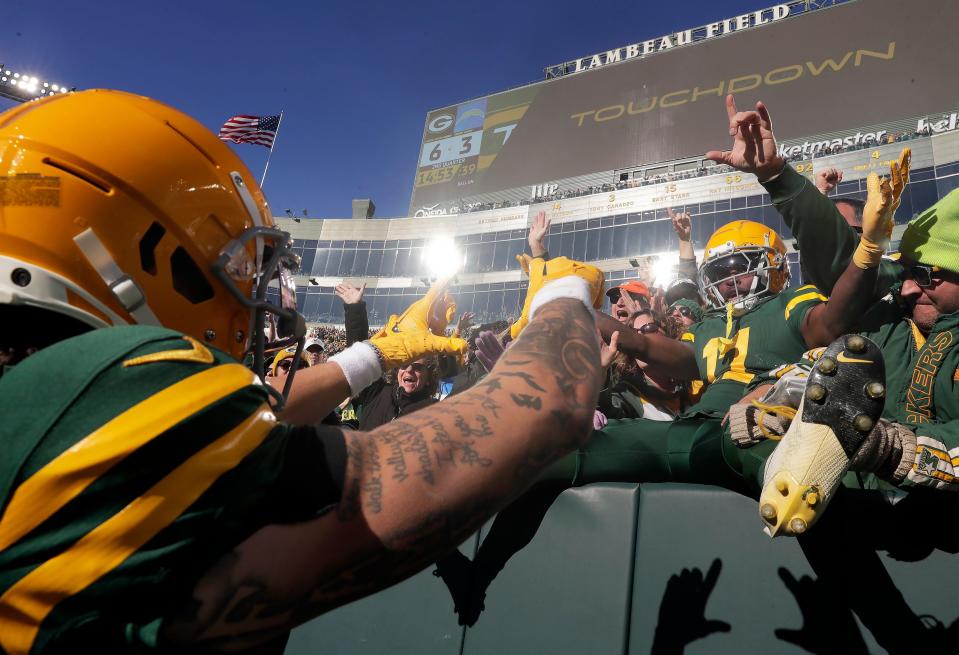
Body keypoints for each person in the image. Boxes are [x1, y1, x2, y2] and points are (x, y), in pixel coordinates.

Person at [0, 90, 606, 653]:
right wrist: (559, 297)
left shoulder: (50, 408)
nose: (254, 297)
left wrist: (378, 352)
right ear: (150, 260)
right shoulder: (98, 393)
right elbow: (543, 407)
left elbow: (246, 425)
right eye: (238, 268)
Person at [707, 94, 959, 537]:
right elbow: (820, 359)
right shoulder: (885, 321)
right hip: (845, 537)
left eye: (931, 275)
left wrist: (891, 448)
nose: (909, 285)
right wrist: (768, 396)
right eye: (909, 271)